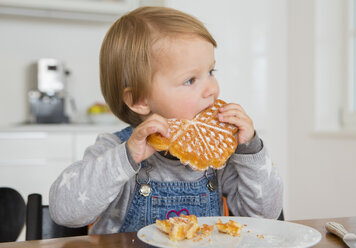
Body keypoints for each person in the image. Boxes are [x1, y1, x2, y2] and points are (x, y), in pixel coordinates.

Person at [49, 6, 283, 234]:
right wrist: (126, 158)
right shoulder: (114, 148)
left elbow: (265, 217)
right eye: (190, 80)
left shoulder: (217, 157)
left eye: (211, 72)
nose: (212, 89)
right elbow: (65, 212)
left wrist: (251, 149)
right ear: (139, 99)